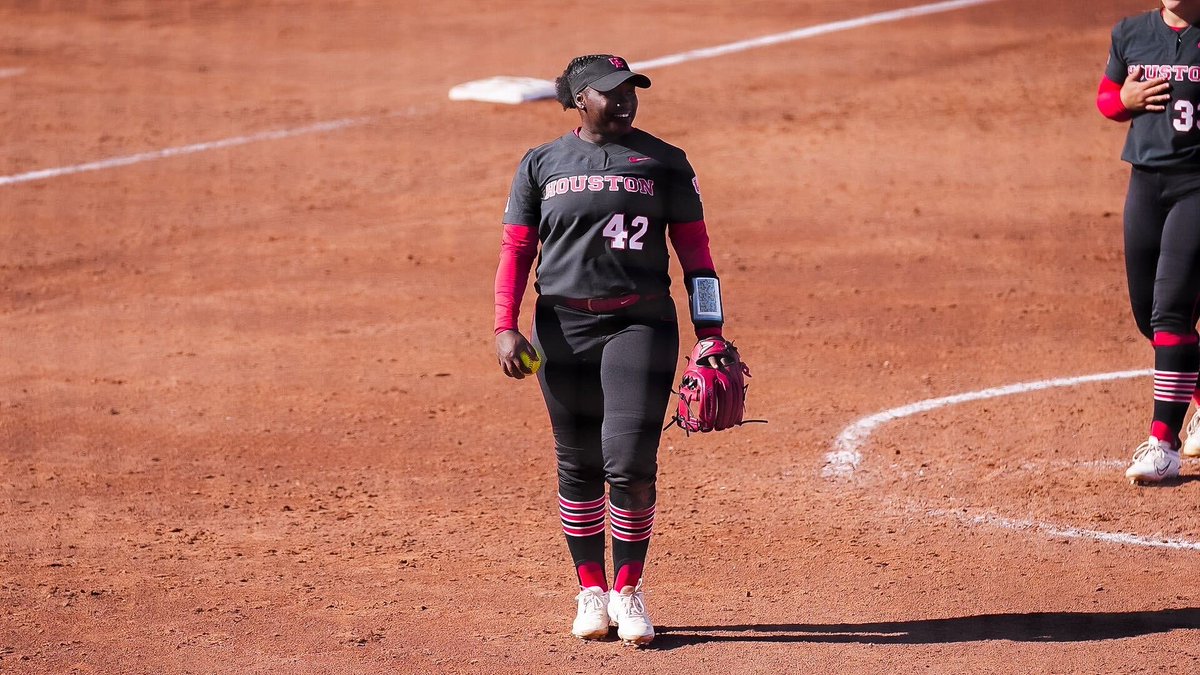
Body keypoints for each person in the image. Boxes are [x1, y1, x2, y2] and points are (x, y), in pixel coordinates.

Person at [492, 54, 729, 644]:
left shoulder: (665, 162)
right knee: (577, 464)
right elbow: (517, 251)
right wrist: (504, 325)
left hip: (639, 325)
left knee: (629, 463)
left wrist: (711, 332)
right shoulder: (541, 163)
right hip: (560, 329)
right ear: (580, 100)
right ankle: (591, 591)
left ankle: (628, 590)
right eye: (611, 91)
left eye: (631, 90)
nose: (625, 100)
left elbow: (697, 256)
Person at [1097, 0, 1200, 483]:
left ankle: (1163, 444)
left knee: (1171, 311)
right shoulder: (1131, 32)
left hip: (1196, 187)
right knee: (1147, 317)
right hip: (1145, 184)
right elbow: (1106, 99)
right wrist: (1126, 100)